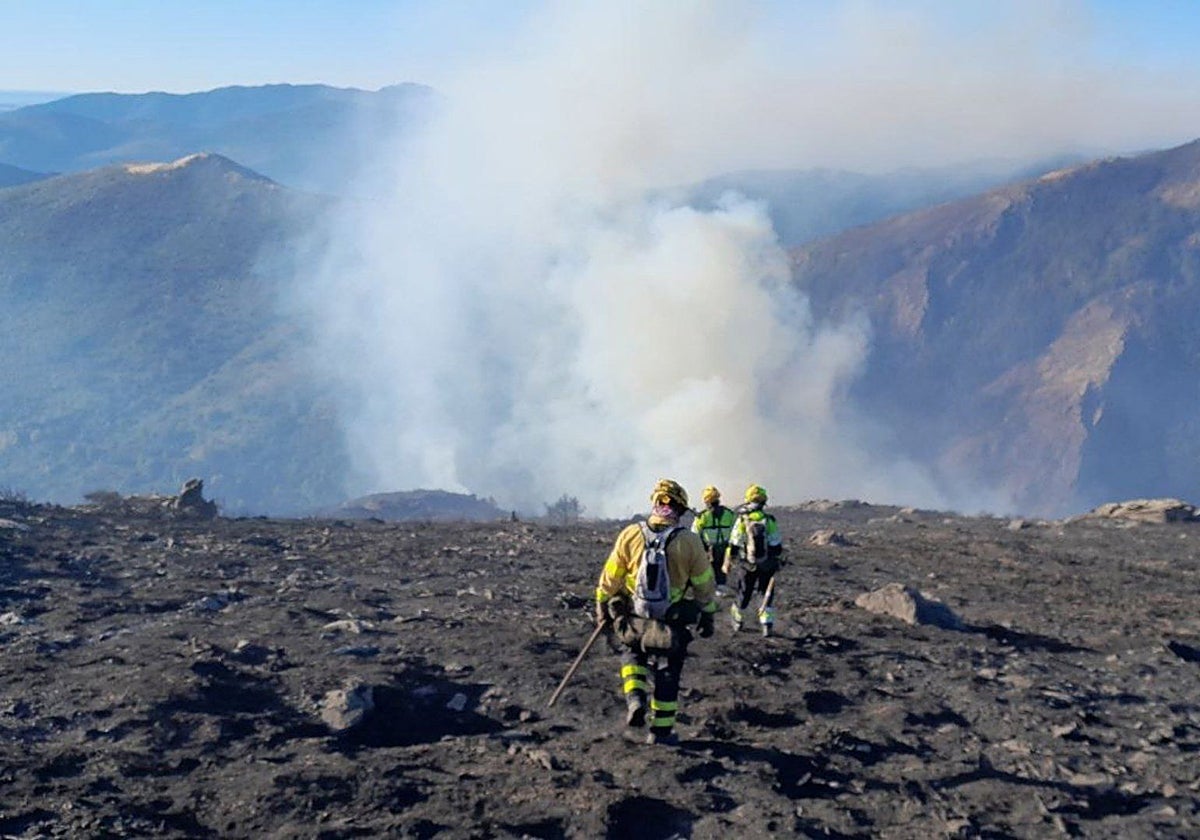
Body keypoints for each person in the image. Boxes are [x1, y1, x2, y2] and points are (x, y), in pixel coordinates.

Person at [595, 479, 717, 745]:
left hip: (634, 620)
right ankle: (660, 732)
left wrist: (601, 604)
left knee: (631, 656)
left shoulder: (630, 534)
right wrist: (708, 613)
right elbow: (704, 584)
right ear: (681, 510)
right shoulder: (689, 541)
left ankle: (635, 698)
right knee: (667, 673)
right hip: (670, 624)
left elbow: (611, 576)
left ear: (655, 504)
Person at [723, 483, 784, 637]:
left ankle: (737, 621)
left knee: (744, 592)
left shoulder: (743, 520)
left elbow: (734, 542)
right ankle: (766, 624)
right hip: (766, 564)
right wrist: (777, 560)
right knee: (765, 593)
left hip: (747, 564)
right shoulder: (768, 520)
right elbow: (776, 543)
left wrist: (729, 561)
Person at [691, 485, 737, 592]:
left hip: (708, 549)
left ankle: (710, 589)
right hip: (725, 548)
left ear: (706, 501)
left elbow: (694, 534)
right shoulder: (728, 513)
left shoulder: (702, 516)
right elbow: (735, 531)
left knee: (707, 570)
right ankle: (721, 586)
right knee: (721, 569)